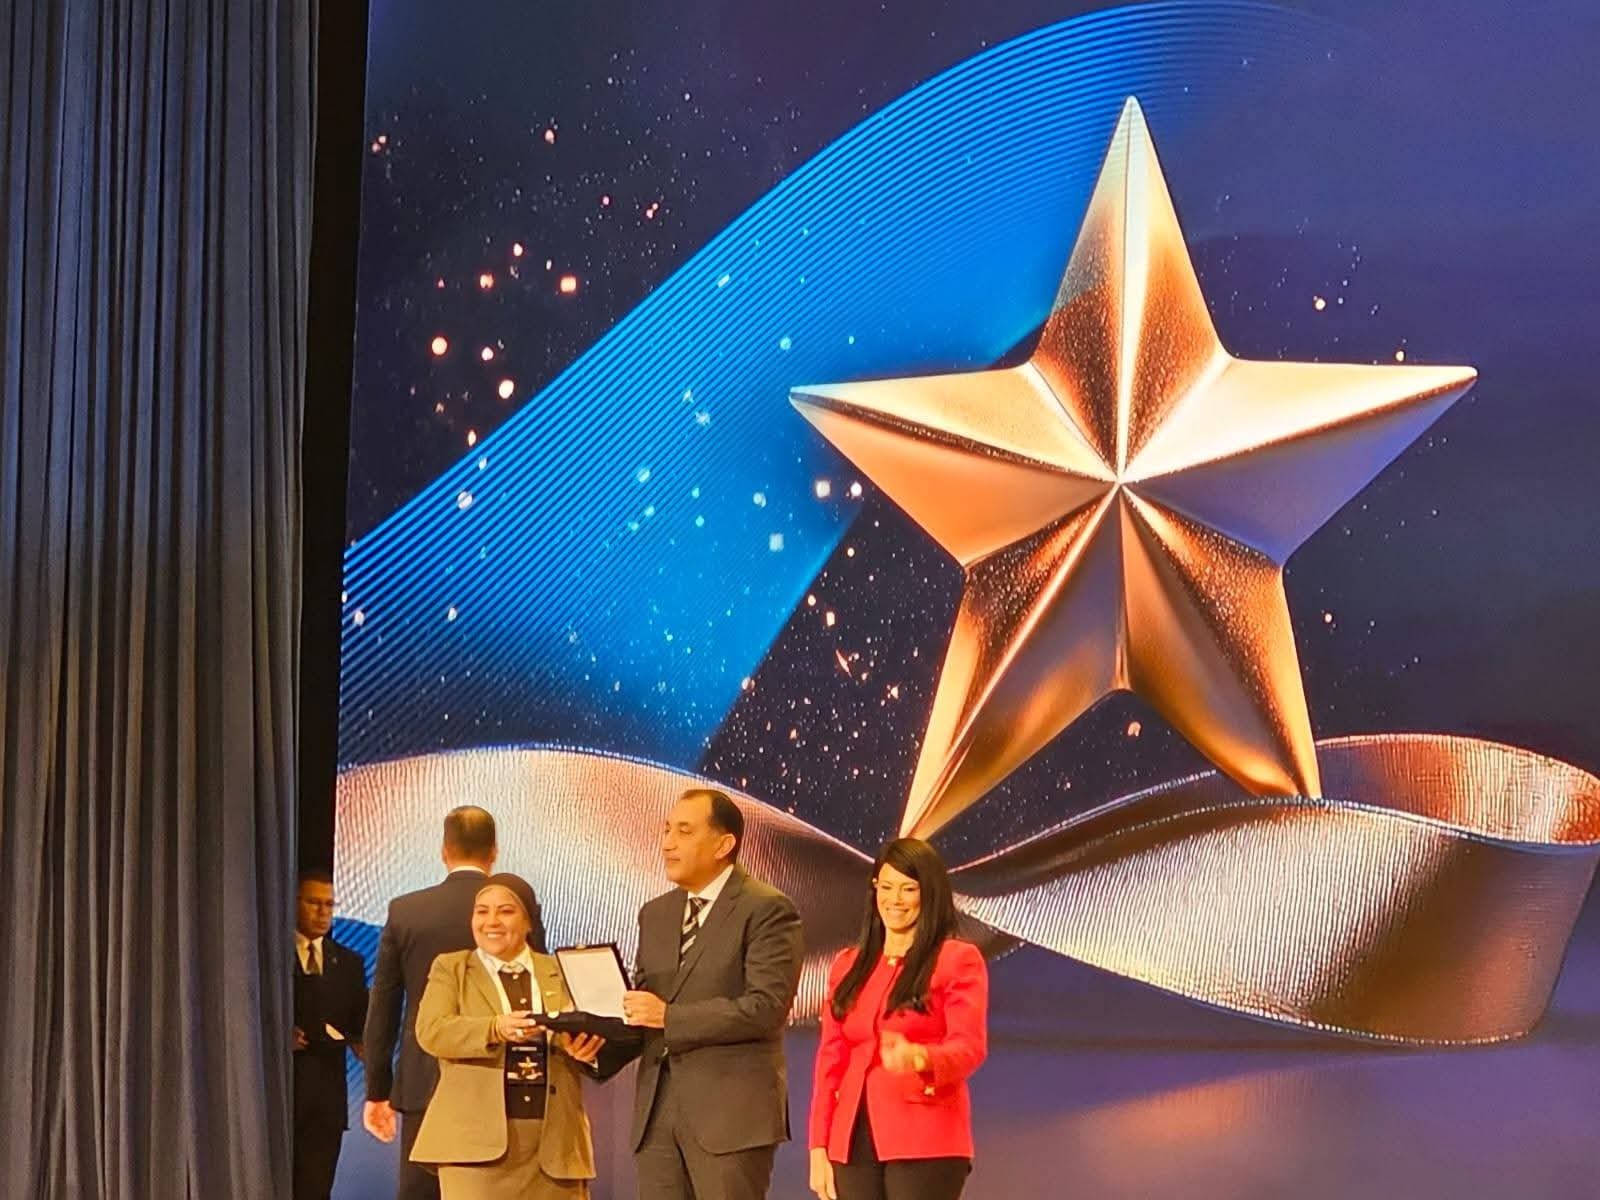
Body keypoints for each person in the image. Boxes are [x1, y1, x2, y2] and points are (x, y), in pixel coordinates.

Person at [620, 787, 804, 1200]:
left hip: (730, 1118)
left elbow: (766, 1007)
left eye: (684, 832)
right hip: (656, 1116)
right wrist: (595, 1046)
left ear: (724, 845)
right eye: (666, 830)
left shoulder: (767, 908)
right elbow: (646, 1006)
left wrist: (669, 1017)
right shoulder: (656, 913)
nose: (667, 843)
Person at [363, 806, 545, 1200]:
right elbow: (540, 991)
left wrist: (377, 1089)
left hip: (424, 1078)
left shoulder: (406, 911)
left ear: (444, 851)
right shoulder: (517, 910)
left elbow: (384, 1006)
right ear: (494, 852)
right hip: (503, 1079)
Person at [409, 873, 612, 1197]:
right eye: (482, 911)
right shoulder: (452, 967)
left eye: (505, 911)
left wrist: (585, 1050)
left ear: (528, 921)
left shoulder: (562, 969)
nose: (491, 921)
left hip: (556, 1147)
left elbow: (600, 1035)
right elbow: (432, 1031)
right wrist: (495, 1028)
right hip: (473, 1149)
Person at [807, 839, 987, 1200]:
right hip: (851, 1138)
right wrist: (818, 1146)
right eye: (886, 887)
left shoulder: (956, 959)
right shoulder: (848, 965)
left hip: (926, 1137)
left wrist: (921, 1057)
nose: (894, 899)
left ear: (929, 894)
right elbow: (830, 1061)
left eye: (908, 889)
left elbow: (969, 1047)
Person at [292, 867, 369, 1200]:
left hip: (326, 1104)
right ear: (294, 903)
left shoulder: (350, 962)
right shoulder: (266, 957)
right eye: (313, 903)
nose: (323, 912)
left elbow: (360, 1029)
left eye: (329, 904)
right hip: (279, 1098)